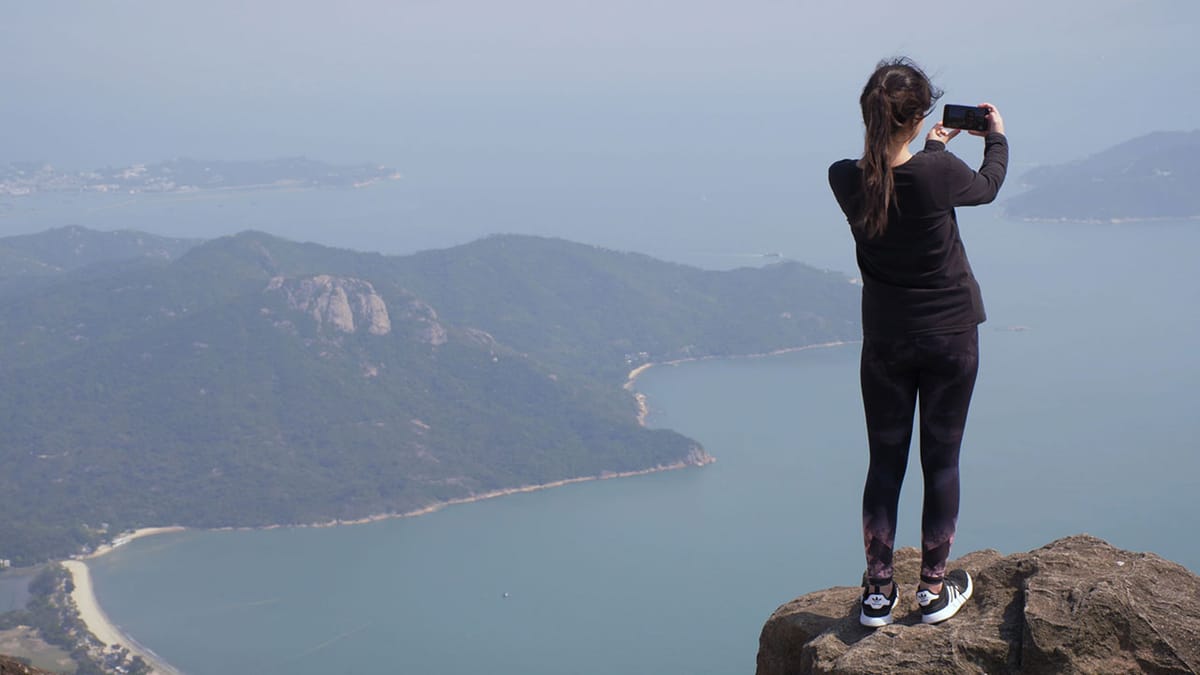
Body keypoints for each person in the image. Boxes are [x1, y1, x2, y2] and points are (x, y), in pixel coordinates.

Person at [827, 58, 1008, 627]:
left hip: (886, 341)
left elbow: (895, 180)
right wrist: (995, 138)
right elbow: (985, 187)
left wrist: (927, 147)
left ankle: (879, 594)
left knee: (885, 464)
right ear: (923, 114)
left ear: (866, 116)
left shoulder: (842, 177)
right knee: (941, 461)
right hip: (951, 337)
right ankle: (932, 591)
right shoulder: (940, 173)